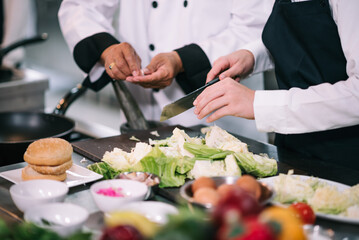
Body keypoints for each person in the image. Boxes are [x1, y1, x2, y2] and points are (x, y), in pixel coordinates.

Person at [58, 0, 273, 142]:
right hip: (138, 117)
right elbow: (80, 7)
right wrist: (106, 49)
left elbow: (258, 27)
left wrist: (182, 60)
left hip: (220, 121)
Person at [194, 0, 359, 169]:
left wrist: (258, 104)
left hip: (345, 156)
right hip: (292, 147)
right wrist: (253, 56)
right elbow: (305, 40)